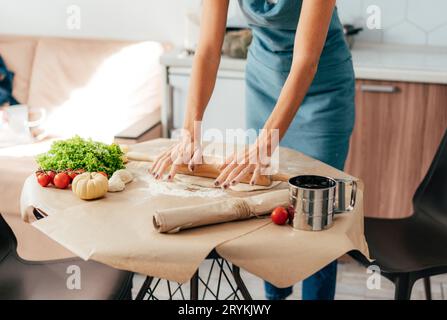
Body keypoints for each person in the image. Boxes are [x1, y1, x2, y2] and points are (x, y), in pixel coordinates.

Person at [150, 0, 355, 300]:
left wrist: (265, 141)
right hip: (265, 83)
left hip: (322, 88)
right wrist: (189, 131)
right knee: (266, 203)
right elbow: (207, 49)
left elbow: (305, 61)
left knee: (316, 215)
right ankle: (275, 296)